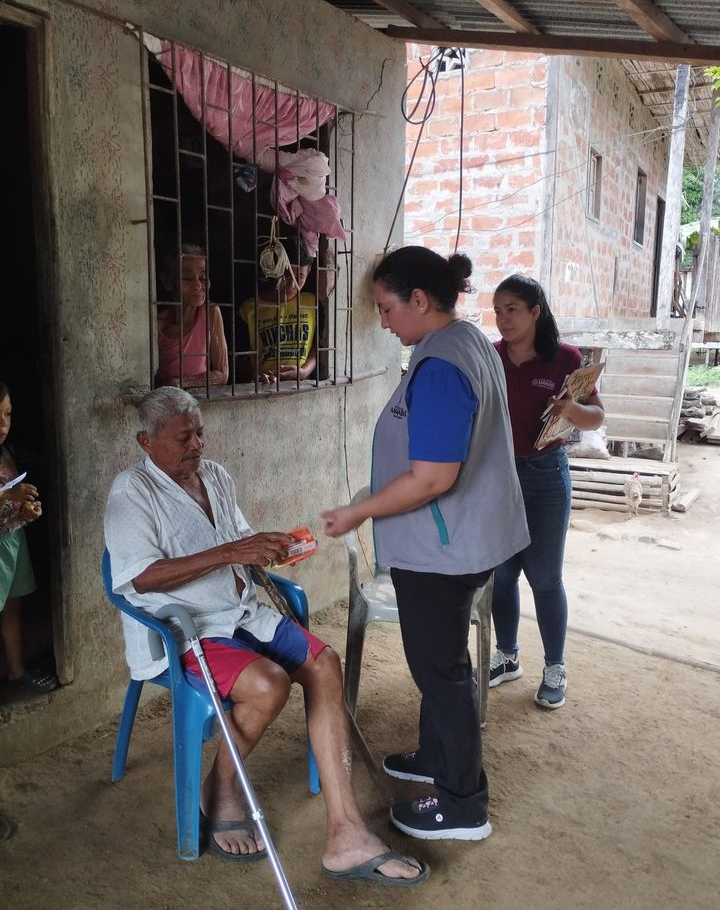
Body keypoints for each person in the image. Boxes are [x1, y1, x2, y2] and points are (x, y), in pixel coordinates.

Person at [103, 386, 427, 886]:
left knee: (325, 664)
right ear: (147, 442)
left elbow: (238, 541)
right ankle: (220, 789)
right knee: (268, 684)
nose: (197, 445)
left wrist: (270, 549)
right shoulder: (131, 492)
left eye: (200, 433)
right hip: (187, 628)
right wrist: (233, 551)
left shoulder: (215, 476)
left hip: (242, 613)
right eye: (184, 438)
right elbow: (142, 578)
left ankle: (346, 832)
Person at [321, 247, 529, 841]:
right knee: (444, 659)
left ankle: (463, 804)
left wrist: (357, 511)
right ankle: (435, 756)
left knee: (440, 669)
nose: (383, 322)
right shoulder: (466, 342)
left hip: (442, 548)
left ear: (418, 300)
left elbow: (433, 477)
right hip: (463, 538)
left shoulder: (441, 365)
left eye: (386, 308)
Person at [491, 274, 605, 709]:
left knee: (544, 577)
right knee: (503, 574)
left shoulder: (565, 359)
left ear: (535, 312)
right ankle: (507, 656)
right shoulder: (491, 356)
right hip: (500, 477)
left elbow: (596, 417)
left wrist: (572, 409)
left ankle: (555, 665)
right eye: (497, 311)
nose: (503, 319)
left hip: (545, 478)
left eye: (512, 310)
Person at [0, 381, 58, 697]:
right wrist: (8, 495)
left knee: (12, 607)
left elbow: (13, 507)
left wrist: (26, 512)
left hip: (12, 540)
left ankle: (16, 673)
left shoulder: (6, 453)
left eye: (7, 414)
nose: (3, 424)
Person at [237, 236, 318, 383]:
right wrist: (255, 376)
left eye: (300, 276)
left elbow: (320, 347)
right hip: (263, 386)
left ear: (309, 271)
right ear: (276, 268)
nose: (292, 285)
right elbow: (240, 357)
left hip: (302, 387)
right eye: (286, 275)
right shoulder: (248, 309)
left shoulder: (312, 303)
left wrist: (304, 372)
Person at [156, 245, 229, 388]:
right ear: (167, 281)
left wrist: (180, 383)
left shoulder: (211, 313)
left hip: (199, 398)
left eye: (203, 277)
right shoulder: (158, 324)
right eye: (187, 278)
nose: (198, 285)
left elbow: (222, 374)